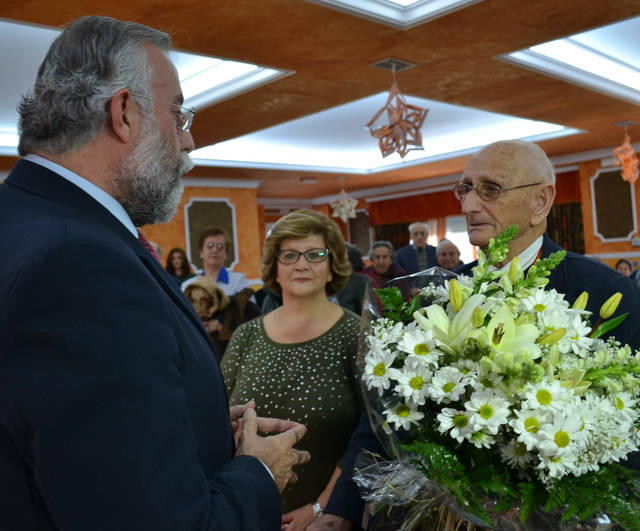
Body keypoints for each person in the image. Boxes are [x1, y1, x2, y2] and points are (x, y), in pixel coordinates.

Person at [0, 16, 309, 531]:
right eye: (179, 115)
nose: (188, 143)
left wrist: (197, 424)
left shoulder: (26, 221)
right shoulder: (79, 266)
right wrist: (258, 470)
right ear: (123, 113)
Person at [310, 139, 640, 530]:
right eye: (465, 189)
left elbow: (629, 429)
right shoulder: (438, 293)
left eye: (490, 189)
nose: (467, 206)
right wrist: (340, 509)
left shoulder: (605, 293)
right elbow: (386, 411)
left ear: (541, 202)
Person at [221, 209, 365, 530]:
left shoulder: (356, 335)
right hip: (246, 514)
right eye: (289, 255)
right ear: (275, 267)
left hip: (328, 519)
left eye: (314, 255)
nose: (301, 264)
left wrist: (321, 508)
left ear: (332, 267)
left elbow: (371, 437)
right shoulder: (246, 335)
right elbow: (217, 417)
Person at [184, 276, 260, 361]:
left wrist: (220, 326)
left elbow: (254, 338)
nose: (199, 307)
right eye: (192, 301)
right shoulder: (190, 319)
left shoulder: (242, 307)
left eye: (203, 301)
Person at [181, 225, 251, 296]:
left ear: (225, 253)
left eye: (220, 246)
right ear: (201, 252)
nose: (215, 250)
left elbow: (250, 307)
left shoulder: (239, 281)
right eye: (210, 246)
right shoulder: (188, 286)